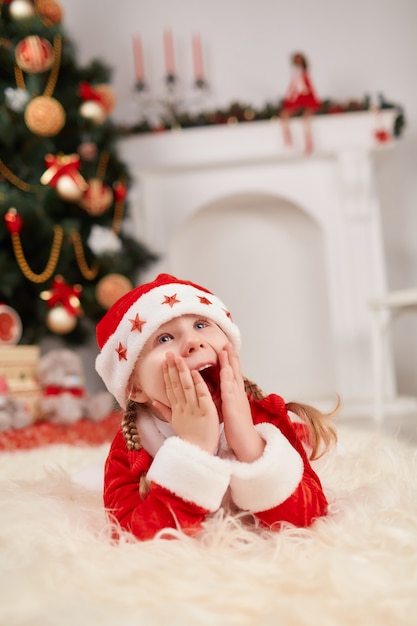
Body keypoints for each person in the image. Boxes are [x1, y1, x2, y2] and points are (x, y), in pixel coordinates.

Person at [95, 273, 338, 541]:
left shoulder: (262, 416)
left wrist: (249, 443)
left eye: (201, 325)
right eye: (164, 339)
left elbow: (310, 516)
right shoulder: (134, 446)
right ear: (136, 388)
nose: (193, 342)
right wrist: (193, 449)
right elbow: (131, 538)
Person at [280, 52, 321, 153]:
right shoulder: (295, 75)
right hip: (296, 99)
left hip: (306, 99)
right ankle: (288, 139)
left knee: (305, 119)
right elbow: (292, 88)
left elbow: (307, 87)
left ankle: (309, 143)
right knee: (284, 115)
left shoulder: (304, 75)